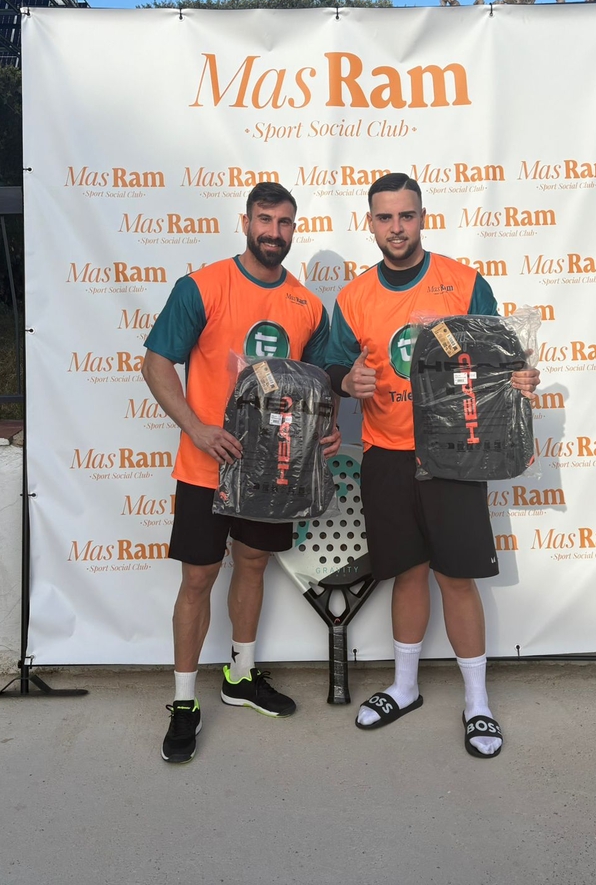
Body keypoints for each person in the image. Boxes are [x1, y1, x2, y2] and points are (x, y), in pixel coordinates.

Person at [325, 173, 540, 759]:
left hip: (454, 454)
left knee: (456, 579)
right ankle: (405, 687)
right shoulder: (354, 297)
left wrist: (521, 380)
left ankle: (477, 702)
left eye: (406, 215)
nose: (396, 228)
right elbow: (330, 367)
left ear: (423, 217)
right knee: (407, 574)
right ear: (370, 224)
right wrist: (346, 380)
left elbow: (503, 359)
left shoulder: (464, 283)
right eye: (385, 218)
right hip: (386, 455)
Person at [143, 182, 340, 764]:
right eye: (264, 219)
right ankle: (184, 702)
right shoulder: (201, 287)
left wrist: (327, 431)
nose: (273, 232)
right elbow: (155, 364)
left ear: (293, 229)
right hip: (209, 465)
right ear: (246, 221)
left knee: (253, 564)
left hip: (273, 472)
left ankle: (240, 676)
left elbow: (318, 387)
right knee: (198, 579)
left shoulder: (307, 305)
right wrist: (196, 428)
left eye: (284, 222)